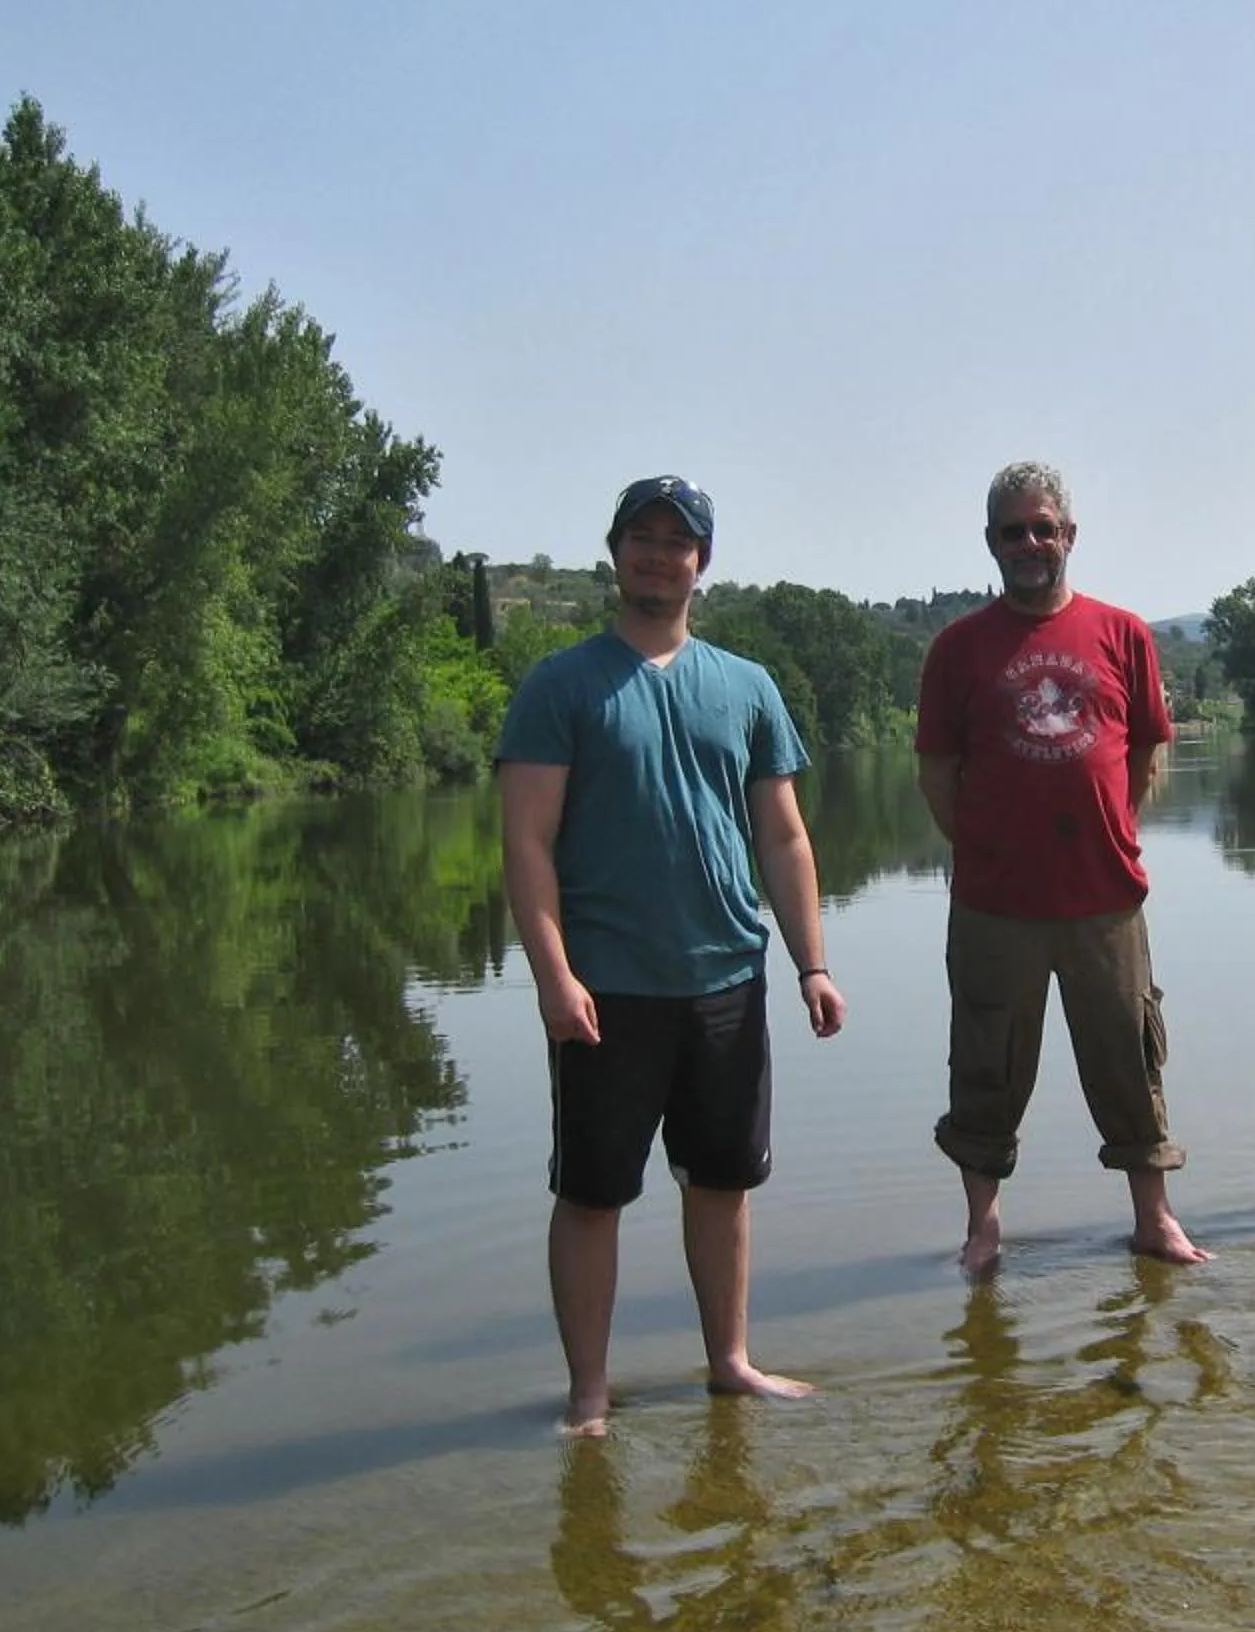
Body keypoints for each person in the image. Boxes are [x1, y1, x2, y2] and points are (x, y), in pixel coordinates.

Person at [498, 474, 845, 1436]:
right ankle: (589, 1394)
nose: (658, 555)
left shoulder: (747, 686)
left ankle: (730, 1363)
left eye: (676, 541)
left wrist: (812, 964)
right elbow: (526, 843)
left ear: (702, 562)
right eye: (641, 538)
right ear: (615, 554)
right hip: (605, 988)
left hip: (727, 977)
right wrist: (553, 975)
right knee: (591, 1193)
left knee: (723, 1183)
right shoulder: (560, 685)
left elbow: (783, 837)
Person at [916, 460, 1210, 1275]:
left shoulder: (1123, 633)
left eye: (1043, 528)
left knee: (1130, 1055)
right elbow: (937, 774)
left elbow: (1148, 749)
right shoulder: (957, 649)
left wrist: (1107, 828)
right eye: (1014, 531)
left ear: (1069, 535)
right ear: (991, 541)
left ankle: (1154, 1219)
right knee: (986, 1062)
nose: (1030, 543)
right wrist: (987, 847)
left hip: (1104, 898)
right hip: (995, 904)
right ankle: (983, 1230)